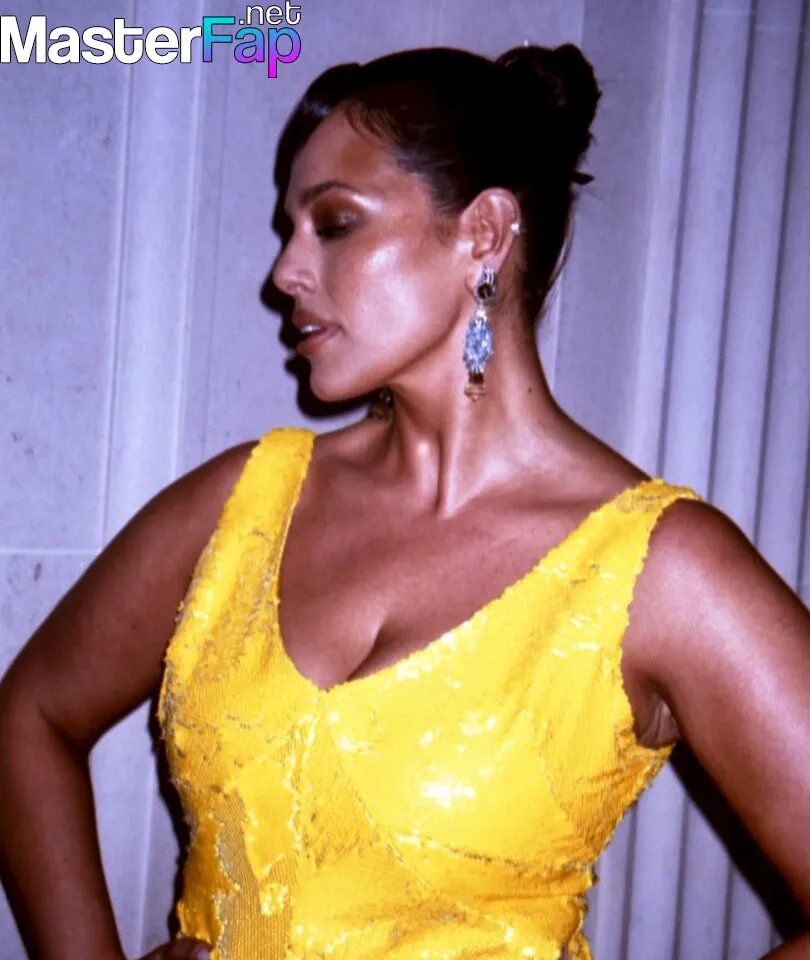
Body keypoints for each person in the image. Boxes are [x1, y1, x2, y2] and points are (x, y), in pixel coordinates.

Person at [0, 41, 808, 960]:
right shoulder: (244, 501)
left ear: (484, 233)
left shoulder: (660, 570)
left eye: (335, 223)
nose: (284, 272)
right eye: (291, 229)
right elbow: (31, 716)